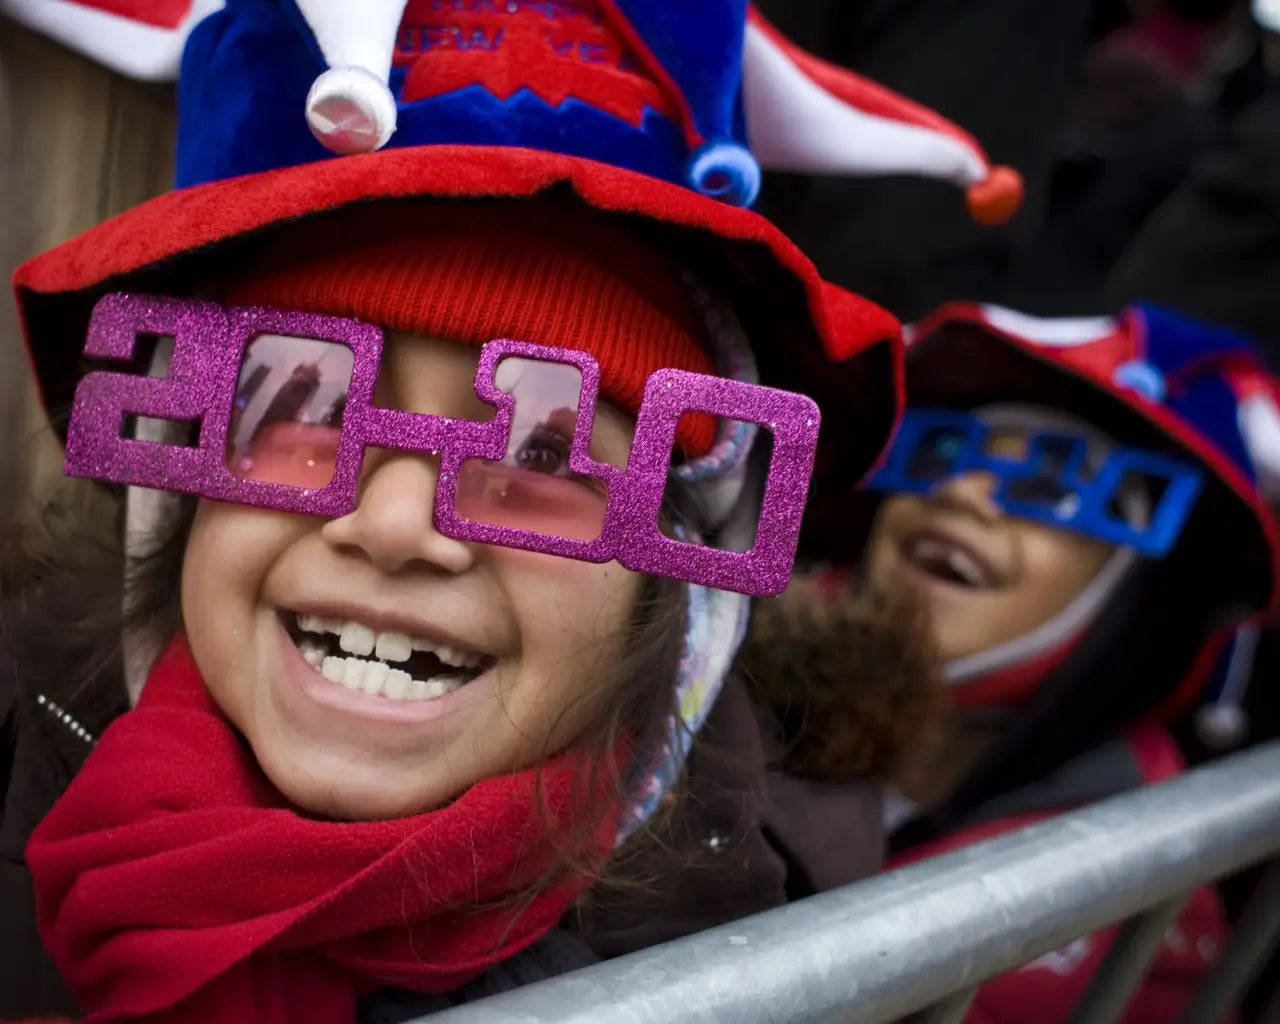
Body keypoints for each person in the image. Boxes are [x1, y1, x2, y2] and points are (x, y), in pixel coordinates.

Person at [0, 2, 1018, 1020]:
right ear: (172, 481)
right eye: (297, 403)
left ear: (667, 583)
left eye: (542, 453)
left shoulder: (793, 970)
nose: (395, 527)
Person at [782, 301, 1279, 1022]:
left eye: (1054, 483)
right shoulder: (708, 679)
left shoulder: (1143, 913)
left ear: (1130, 599)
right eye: (942, 452)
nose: (962, 493)